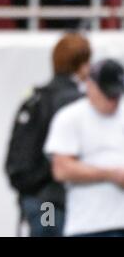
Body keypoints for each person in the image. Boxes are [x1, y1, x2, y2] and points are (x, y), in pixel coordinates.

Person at [6, 33, 91, 236]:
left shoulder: (35, 97)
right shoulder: (77, 103)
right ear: (82, 64)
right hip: (53, 201)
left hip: (33, 199)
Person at [45, 59, 124, 237]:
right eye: (108, 95)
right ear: (91, 86)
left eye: (117, 96)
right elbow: (62, 169)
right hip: (89, 225)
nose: (113, 102)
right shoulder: (70, 117)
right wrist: (111, 174)